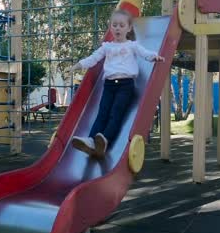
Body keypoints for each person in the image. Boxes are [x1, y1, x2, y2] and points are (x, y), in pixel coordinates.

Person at [69, 9, 164, 158]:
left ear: (129, 28)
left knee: (115, 113)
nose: (118, 28)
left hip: (126, 86)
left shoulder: (132, 45)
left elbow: (145, 53)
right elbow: (93, 58)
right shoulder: (107, 47)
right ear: (111, 28)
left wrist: (154, 57)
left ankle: (104, 139)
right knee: (102, 113)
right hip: (109, 85)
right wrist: (78, 65)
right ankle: (90, 140)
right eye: (114, 25)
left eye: (121, 25)